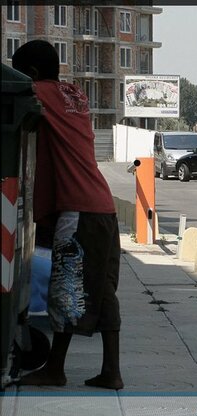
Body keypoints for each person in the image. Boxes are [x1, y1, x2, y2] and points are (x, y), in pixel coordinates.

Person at [12, 40, 123, 390]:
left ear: (30, 74)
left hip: (77, 208)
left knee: (67, 287)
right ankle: (111, 372)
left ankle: (54, 369)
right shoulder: (74, 95)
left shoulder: (38, 92)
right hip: (103, 205)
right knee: (103, 290)